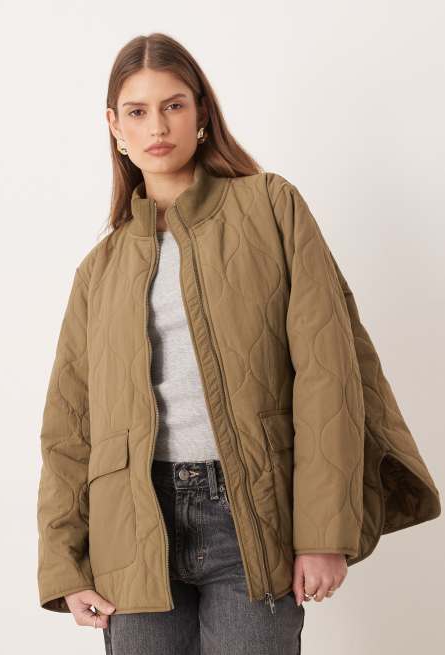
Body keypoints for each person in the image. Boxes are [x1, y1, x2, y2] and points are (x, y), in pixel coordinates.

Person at [36, 33, 441, 655]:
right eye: (137, 111)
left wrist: (322, 534)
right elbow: (70, 427)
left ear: (202, 112)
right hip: (132, 530)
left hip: (252, 513)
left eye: (173, 105)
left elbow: (328, 374)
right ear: (115, 127)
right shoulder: (101, 269)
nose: (157, 127)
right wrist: (66, 564)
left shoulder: (271, 207)